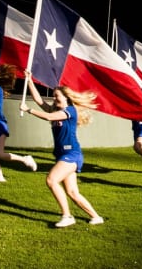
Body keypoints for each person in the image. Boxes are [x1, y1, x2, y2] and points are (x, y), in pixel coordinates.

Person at [21, 77, 104, 228]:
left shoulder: (70, 111)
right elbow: (39, 101)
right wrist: (29, 81)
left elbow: (49, 117)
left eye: (56, 96)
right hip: (62, 155)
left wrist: (28, 110)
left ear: (66, 97)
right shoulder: (56, 109)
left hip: (72, 154)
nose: (54, 98)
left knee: (51, 180)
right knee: (72, 192)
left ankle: (67, 216)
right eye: (54, 96)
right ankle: (96, 217)